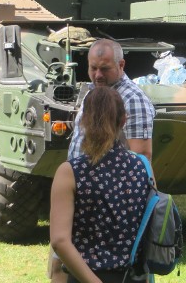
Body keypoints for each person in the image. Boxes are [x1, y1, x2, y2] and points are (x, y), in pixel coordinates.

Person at [50, 38, 155, 281]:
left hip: (93, 209)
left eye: (104, 69)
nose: (97, 74)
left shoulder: (133, 100)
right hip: (80, 202)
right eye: (93, 67)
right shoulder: (93, 93)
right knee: (57, 269)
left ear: (121, 65)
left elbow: (142, 157)